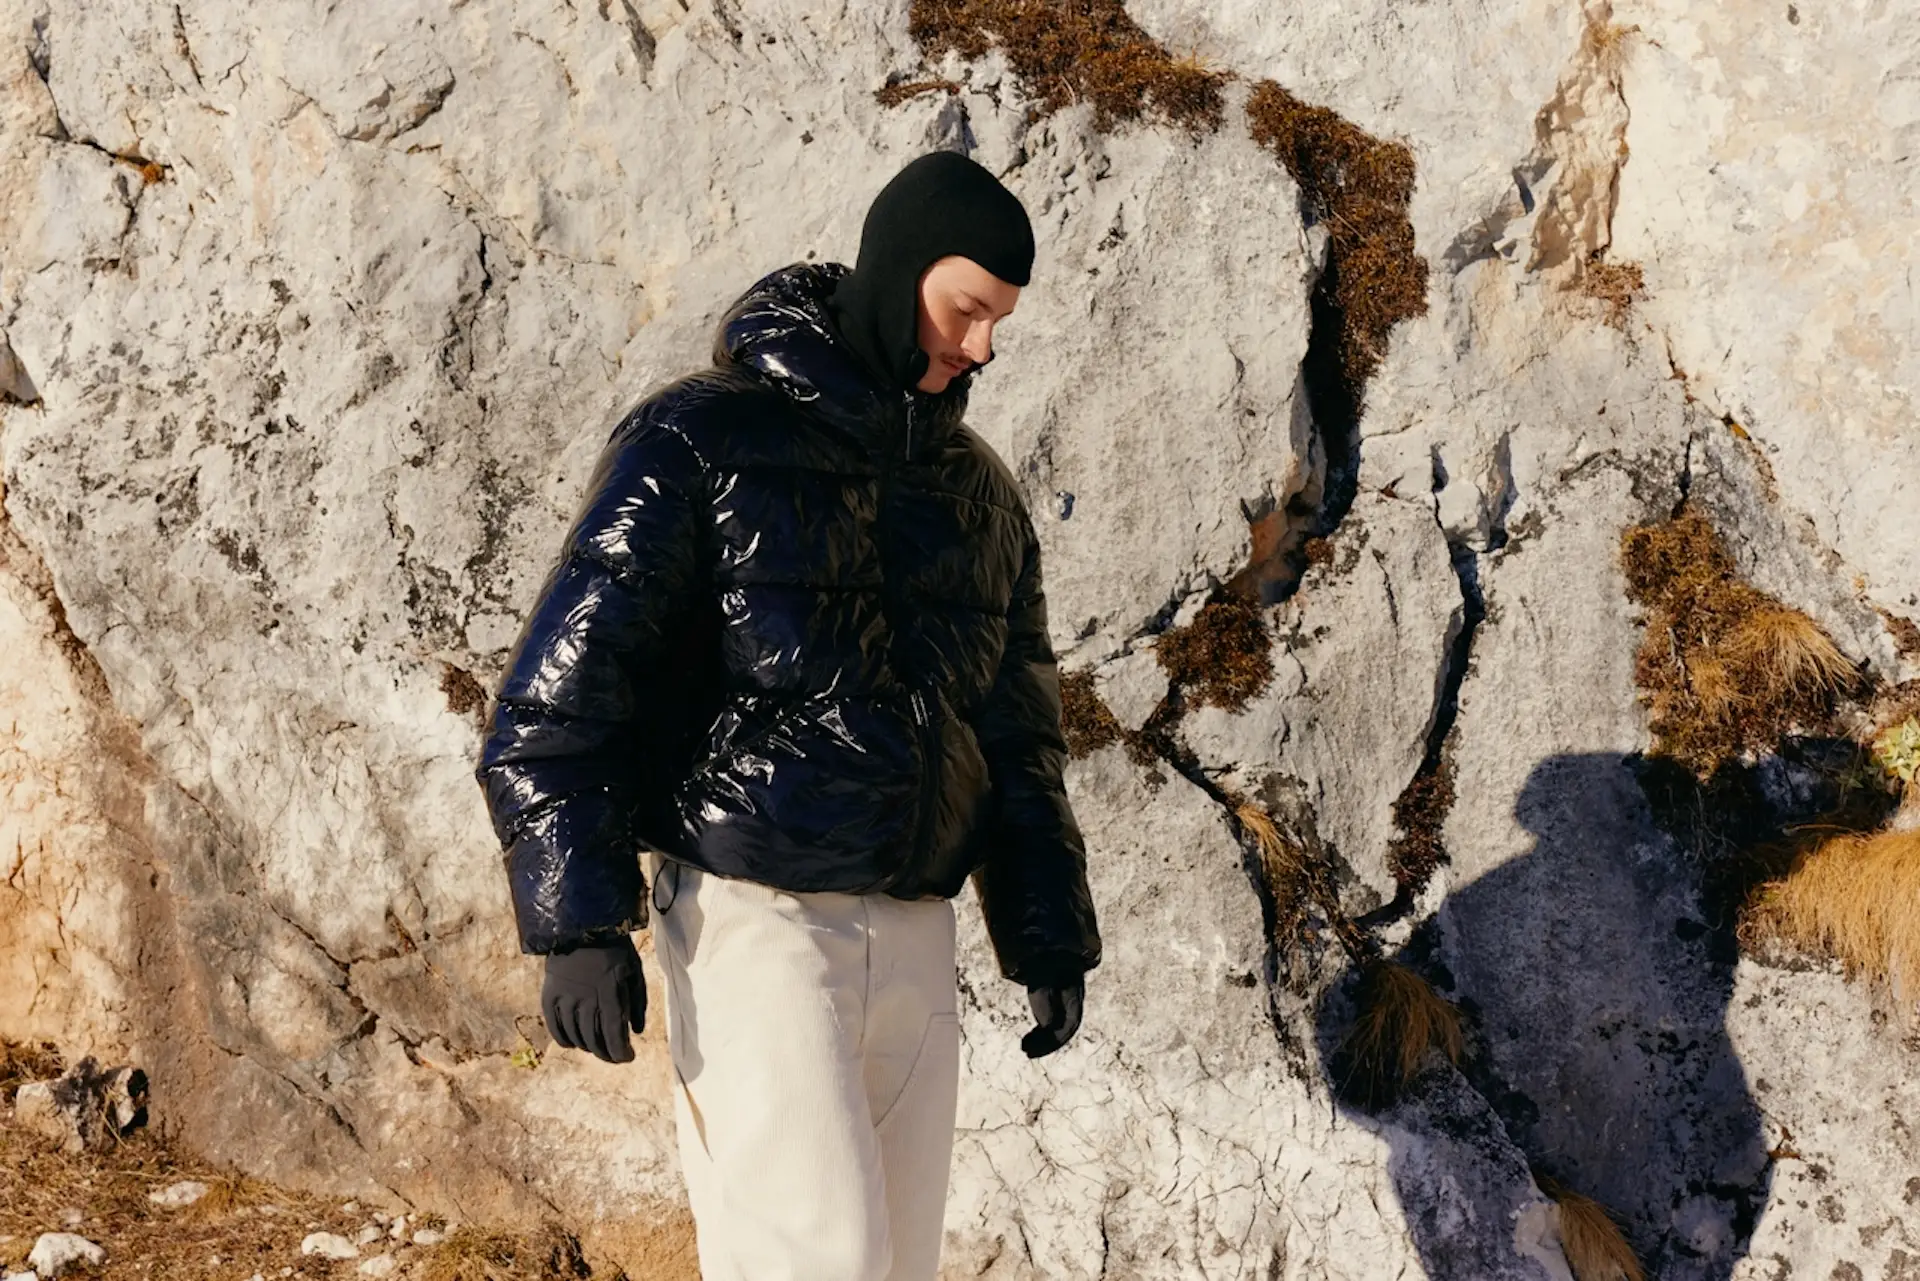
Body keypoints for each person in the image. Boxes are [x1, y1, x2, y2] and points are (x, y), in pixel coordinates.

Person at [476, 150, 1102, 1281]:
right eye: (967, 310)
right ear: (900, 272)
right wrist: (577, 921)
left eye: (1001, 321)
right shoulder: (699, 442)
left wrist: (1046, 928)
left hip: (915, 932)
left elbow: (1018, 738)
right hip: (756, 927)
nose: (982, 347)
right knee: (818, 1265)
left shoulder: (981, 495)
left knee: (894, 1268)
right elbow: (562, 688)